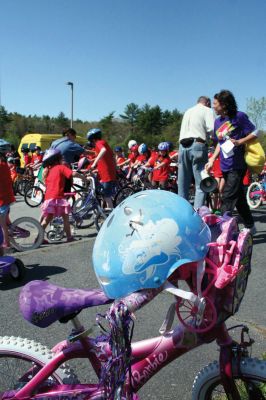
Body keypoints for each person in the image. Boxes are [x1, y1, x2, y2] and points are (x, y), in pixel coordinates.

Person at [205, 90, 258, 233]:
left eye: (215, 104)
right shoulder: (217, 122)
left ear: (224, 104)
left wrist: (240, 141)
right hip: (225, 165)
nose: (213, 106)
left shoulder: (239, 117)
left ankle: (221, 231)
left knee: (227, 197)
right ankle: (250, 225)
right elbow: (219, 143)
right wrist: (212, 159)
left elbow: (255, 132)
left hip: (238, 164)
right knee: (239, 198)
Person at [178, 96, 215, 209]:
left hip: (182, 146)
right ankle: (198, 214)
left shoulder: (188, 111)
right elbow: (212, 129)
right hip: (197, 144)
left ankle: (182, 212)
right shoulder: (207, 110)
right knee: (201, 183)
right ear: (207, 103)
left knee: (183, 184)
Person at [40, 149, 85, 243]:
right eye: (61, 158)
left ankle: (39, 238)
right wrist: (84, 178)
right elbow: (74, 173)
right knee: (65, 218)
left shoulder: (49, 170)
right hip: (57, 197)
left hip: (49, 197)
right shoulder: (61, 167)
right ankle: (69, 237)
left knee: (48, 219)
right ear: (57, 159)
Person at [87, 128, 117, 209]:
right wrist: (115, 167)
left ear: (93, 139)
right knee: (105, 195)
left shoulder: (99, 143)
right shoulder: (104, 143)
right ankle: (106, 213)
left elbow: (103, 151)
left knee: (107, 197)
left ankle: (110, 215)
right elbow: (112, 156)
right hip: (108, 174)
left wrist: (94, 163)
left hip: (106, 175)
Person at [0, 152, 16, 249]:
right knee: (5, 221)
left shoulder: (1, 166)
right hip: (5, 198)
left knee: (2, 223)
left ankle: (7, 243)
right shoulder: (4, 165)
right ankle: (11, 229)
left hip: (4, 199)